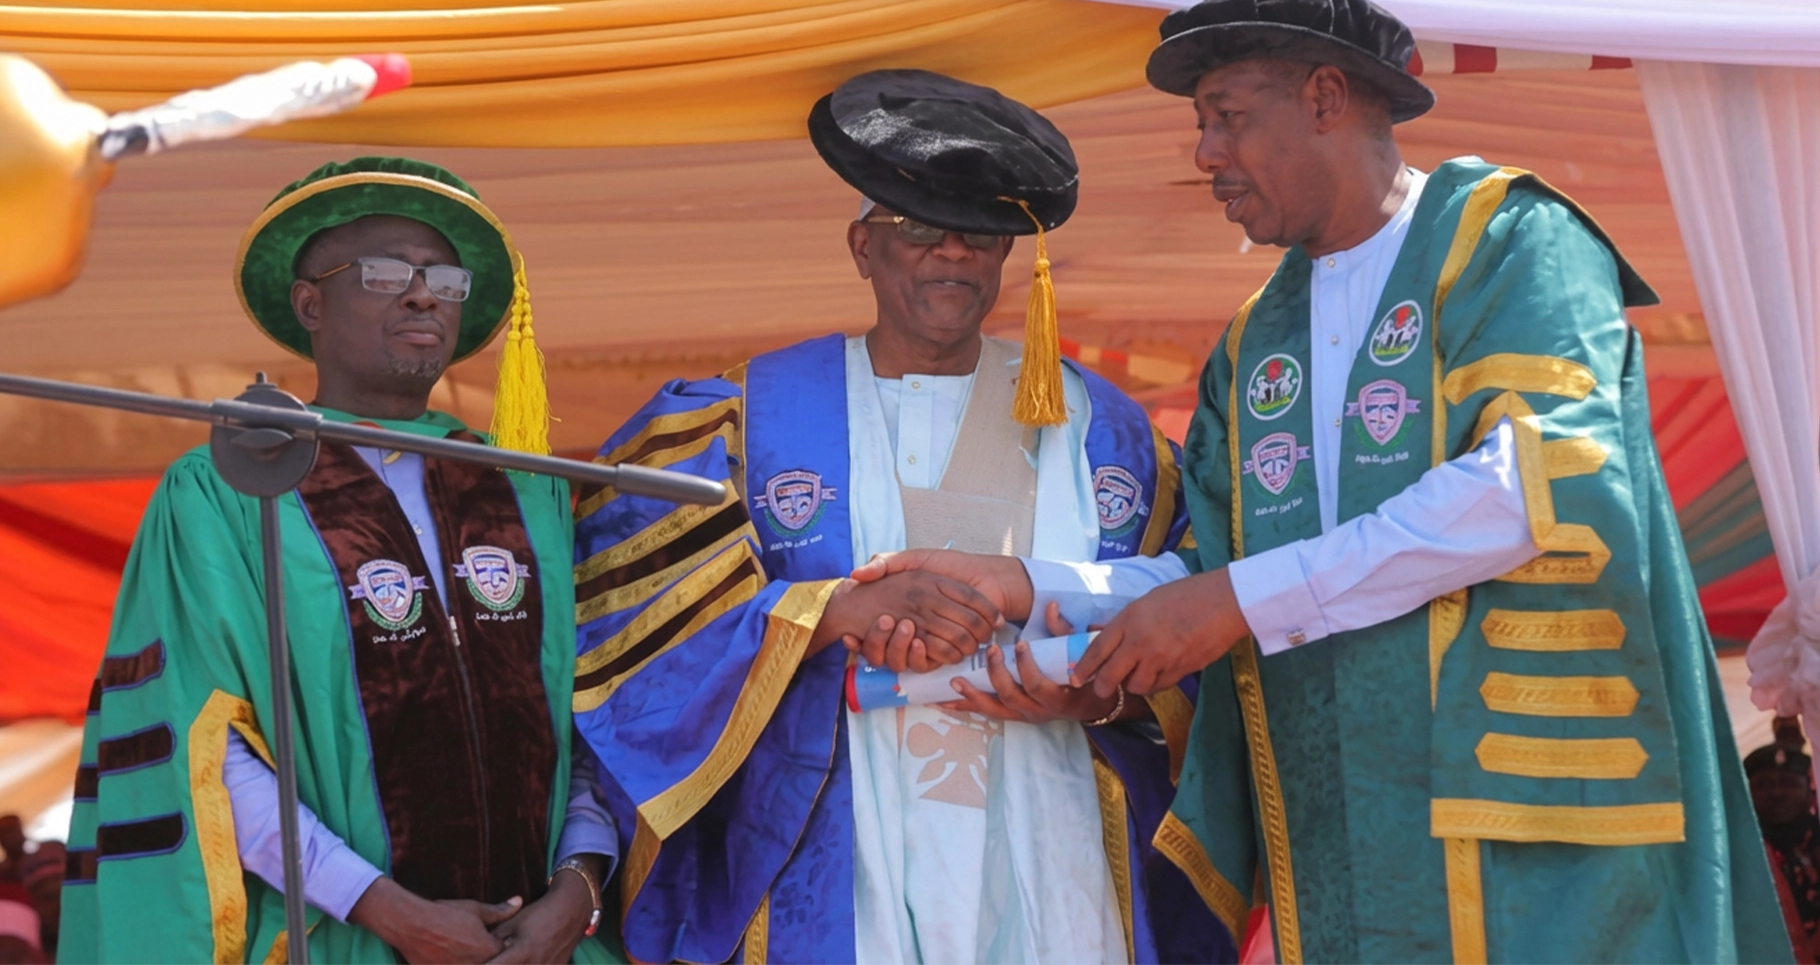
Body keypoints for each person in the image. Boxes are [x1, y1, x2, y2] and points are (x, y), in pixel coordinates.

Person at [868, 0, 1791, 962]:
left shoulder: (1510, 239)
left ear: (1323, 97)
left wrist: (1240, 600)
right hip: (1340, 826)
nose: (1204, 153)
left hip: (1531, 830)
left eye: (1227, 116)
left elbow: (1528, 485)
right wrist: (1032, 586)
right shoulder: (1257, 340)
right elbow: (1219, 566)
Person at [572, 70, 1231, 964]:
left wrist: (1106, 693)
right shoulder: (746, 414)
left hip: (1050, 821)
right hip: (836, 832)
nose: (951, 254)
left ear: (1008, 255)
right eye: (918, 228)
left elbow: (1204, 607)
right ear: (862, 245)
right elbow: (627, 629)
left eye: (980, 233)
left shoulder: (1106, 433)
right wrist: (824, 612)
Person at [59, 158, 616, 964]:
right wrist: (387, 909)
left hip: (546, 944)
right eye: (388, 271)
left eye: (444, 278)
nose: (424, 293)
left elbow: (593, 712)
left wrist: (578, 888)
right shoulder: (227, 490)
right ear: (310, 302)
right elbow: (205, 743)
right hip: (343, 940)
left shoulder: (529, 488)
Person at [1745, 745, 1820, 964]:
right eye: (1763, 785)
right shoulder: (1741, 850)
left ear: (1809, 789)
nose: (1776, 793)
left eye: (1789, 783)